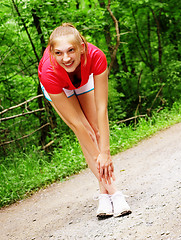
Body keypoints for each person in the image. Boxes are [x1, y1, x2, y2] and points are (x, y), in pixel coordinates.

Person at [38, 23, 131, 218]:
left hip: (83, 77)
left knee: (96, 131)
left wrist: (105, 153)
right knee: (86, 133)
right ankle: (114, 193)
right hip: (58, 86)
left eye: (71, 50)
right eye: (59, 53)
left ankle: (104, 197)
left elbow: (101, 108)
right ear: (53, 54)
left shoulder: (96, 56)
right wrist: (100, 156)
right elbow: (77, 126)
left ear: (82, 46)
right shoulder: (49, 71)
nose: (66, 58)